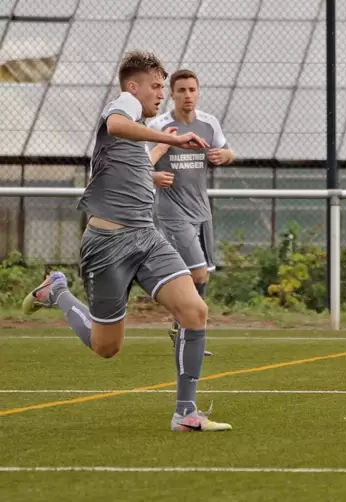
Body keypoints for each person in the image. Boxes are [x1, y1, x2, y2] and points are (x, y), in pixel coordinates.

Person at [22, 51, 232, 433]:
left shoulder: (141, 131)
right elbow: (117, 125)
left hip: (146, 237)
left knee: (194, 310)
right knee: (107, 347)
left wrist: (158, 154)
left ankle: (185, 414)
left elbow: (131, 162)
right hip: (107, 245)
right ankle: (58, 293)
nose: (160, 94)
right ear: (133, 86)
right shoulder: (123, 106)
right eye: (156, 86)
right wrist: (168, 138)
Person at [147, 68, 235, 357]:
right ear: (172, 94)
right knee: (197, 273)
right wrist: (153, 176)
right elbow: (137, 164)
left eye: (192, 90)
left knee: (202, 275)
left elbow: (227, 151)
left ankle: (184, 328)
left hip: (201, 210)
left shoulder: (209, 123)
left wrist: (227, 156)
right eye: (181, 90)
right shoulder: (159, 126)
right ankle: (189, 332)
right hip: (172, 211)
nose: (187, 95)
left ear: (198, 92)